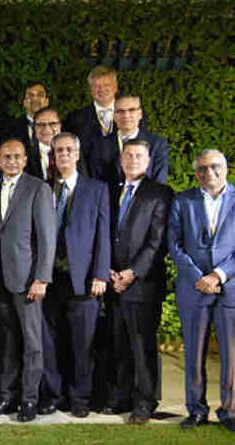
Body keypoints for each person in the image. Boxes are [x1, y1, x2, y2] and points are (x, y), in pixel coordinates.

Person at [0, 139, 55, 422]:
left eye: (17, 157)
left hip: (27, 281)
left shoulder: (38, 188)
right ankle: (6, 397)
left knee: (33, 343)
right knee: (8, 341)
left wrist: (42, 278)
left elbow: (47, 238)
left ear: (25, 160)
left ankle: (29, 400)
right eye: (6, 157)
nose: (11, 161)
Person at [39, 132, 110, 418]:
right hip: (48, 279)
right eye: (59, 150)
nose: (64, 154)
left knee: (82, 343)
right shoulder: (43, 188)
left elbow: (103, 235)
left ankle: (80, 398)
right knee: (49, 341)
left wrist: (101, 274)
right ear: (52, 156)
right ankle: (54, 395)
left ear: (78, 155)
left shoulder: (97, 190)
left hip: (83, 280)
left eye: (69, 150)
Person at [104, 140, 173, 424]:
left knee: (141, 346)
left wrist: (132, 273)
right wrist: (108, 270)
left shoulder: (161, 193)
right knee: (118, 343)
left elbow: (158, 241)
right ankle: (121, 396)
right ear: (121, 159)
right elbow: (106, 233)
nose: (133, 159)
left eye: (139, 156)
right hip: (113, 282)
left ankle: (144, 402)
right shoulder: (112, 191)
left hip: (142, 284)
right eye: (128, 155)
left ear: (148, 161)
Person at [168, 149, 235, 433]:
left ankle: (229, 411)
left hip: (229, 286)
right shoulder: (182, 201)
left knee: (232, 354)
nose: (210, 172)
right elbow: (174, 244)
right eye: (204, 168)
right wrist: (199, 277)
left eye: (215, 167)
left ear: (226, 169)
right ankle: (196, 409)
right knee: (194, 352)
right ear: (196, 173)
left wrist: (218, 275)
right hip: (193, 288)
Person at [85, 95, 169, 190]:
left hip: (145, 202)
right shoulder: (100, 145)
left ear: (140, 114)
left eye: (132, 110)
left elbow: (159, 182)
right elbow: (96, 183)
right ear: (114, 116)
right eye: (120, 111)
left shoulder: (157, 144)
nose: (126, 115)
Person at [3, 81, 50, 149]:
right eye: (30, 95)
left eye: (40, 95)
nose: (35, 99)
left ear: (46, 101)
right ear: (24, 102)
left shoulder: (58, 127)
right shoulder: (10, 128)